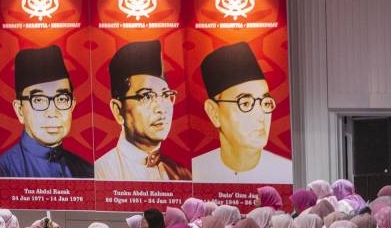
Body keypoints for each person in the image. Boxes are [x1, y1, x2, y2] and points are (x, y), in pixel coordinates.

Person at [192, 42, 291, 183]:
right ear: (214, 113)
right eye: (245, 103)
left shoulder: (284, 172)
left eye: (265, 102)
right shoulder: (196, 170)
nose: (260, 115)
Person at [96, 40, 190, 181]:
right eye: (147, 96)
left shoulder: (182, 174)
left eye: (165, 95)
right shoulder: (101, 172)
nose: (161, 108)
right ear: (118, 110)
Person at [0, 45, 93, 178]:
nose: (52, 113)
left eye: (61, 99)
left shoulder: (87, 170)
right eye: (39, 100)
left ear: (72, 105)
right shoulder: (4, 168)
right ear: (20, 110)